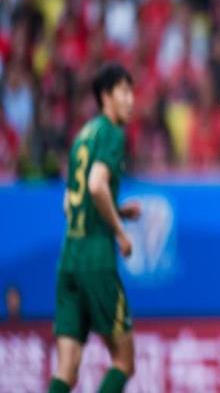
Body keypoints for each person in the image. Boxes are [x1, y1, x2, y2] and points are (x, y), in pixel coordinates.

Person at [49, 63, 141, 393]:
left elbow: (69, 203)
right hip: (97, 261)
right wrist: (120, 232)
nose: (131, 100)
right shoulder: (113, 133)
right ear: (105, 96)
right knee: (124, 360)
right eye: (124, 92)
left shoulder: (83, 136)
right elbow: (96, 185)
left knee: (67, 367)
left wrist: (118, 211)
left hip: (69, 260)